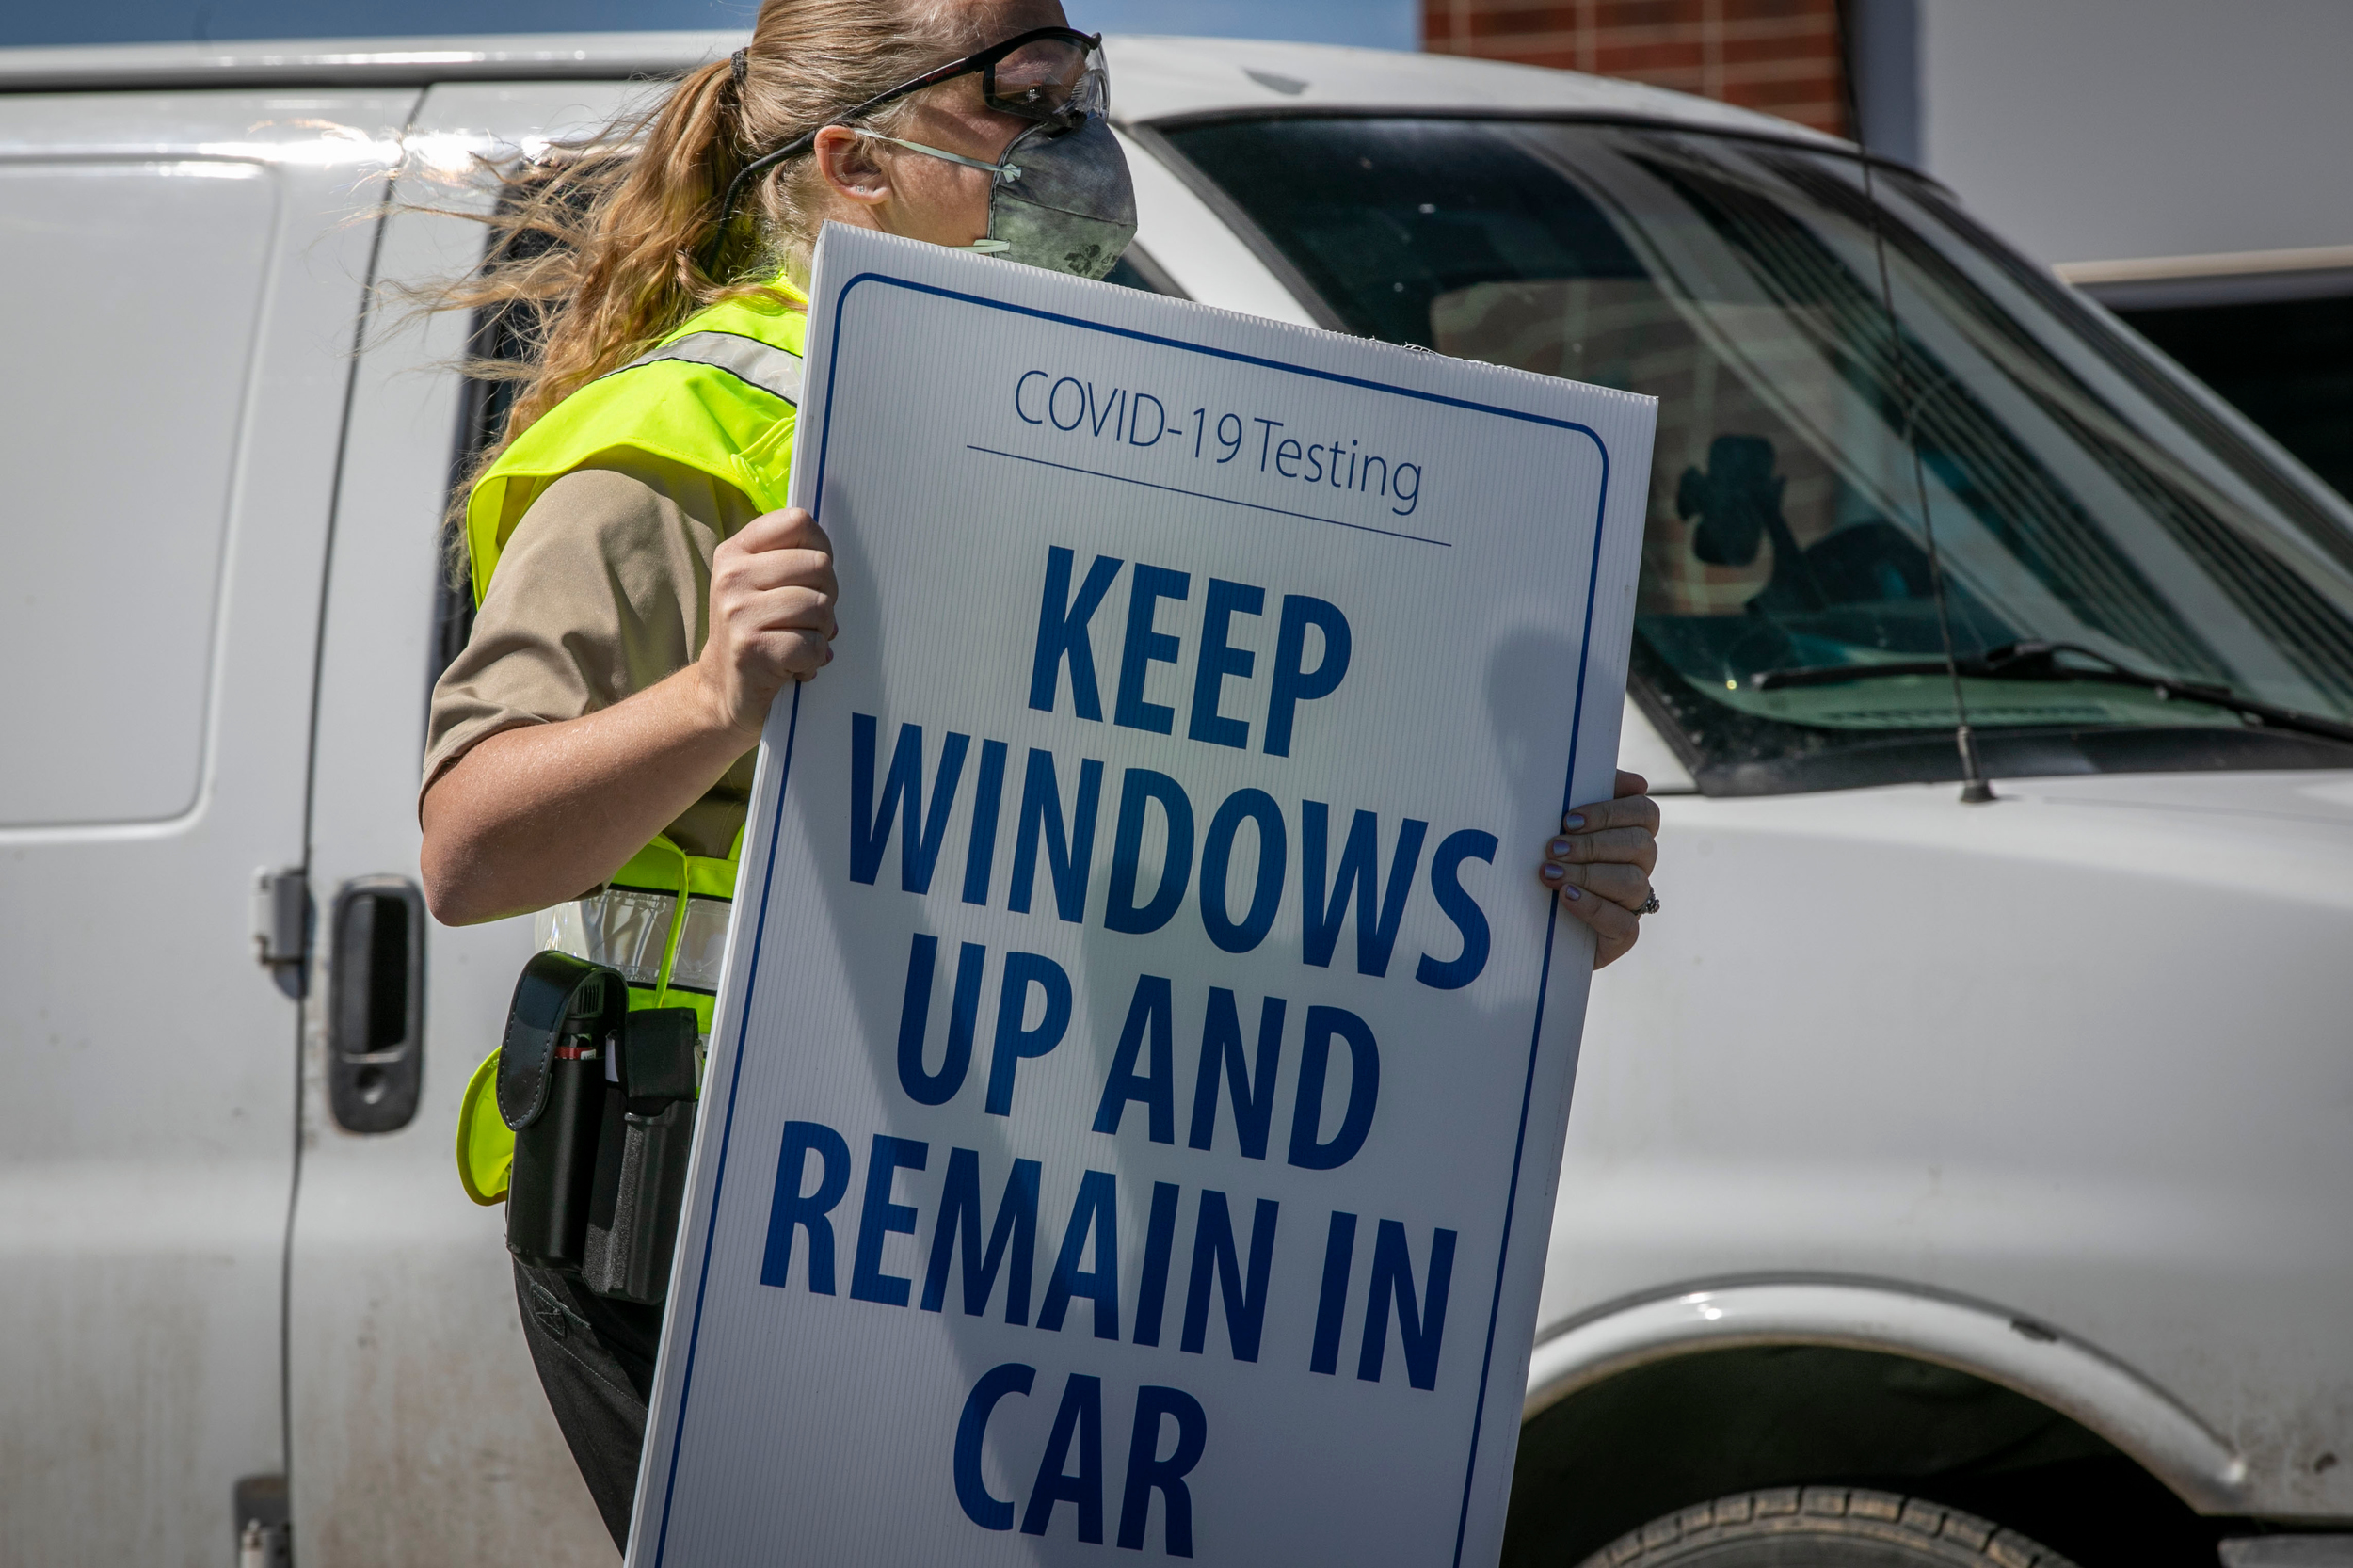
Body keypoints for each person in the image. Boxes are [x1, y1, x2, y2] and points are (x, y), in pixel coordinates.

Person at [416, 0, 1661, 1545]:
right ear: (855, 160)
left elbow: (1246, 817)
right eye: (1018, 100)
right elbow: (471, 849)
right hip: (723, 1220)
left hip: (1045, 1220)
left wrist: (1533, 876)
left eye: (1079, 88)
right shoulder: (677, 438)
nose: (1075, 142)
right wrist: (712, 696)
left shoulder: (1124, 426)